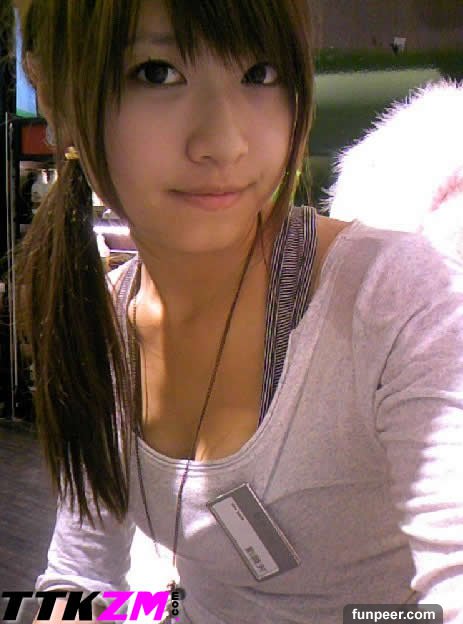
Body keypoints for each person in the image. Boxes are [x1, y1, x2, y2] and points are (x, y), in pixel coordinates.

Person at [14, 1, 463, 622]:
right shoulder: (104, 327)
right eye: (156, 72)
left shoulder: (396, 296)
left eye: (260, 73)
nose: (225, 143)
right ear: (54, 95)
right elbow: (79, 576)